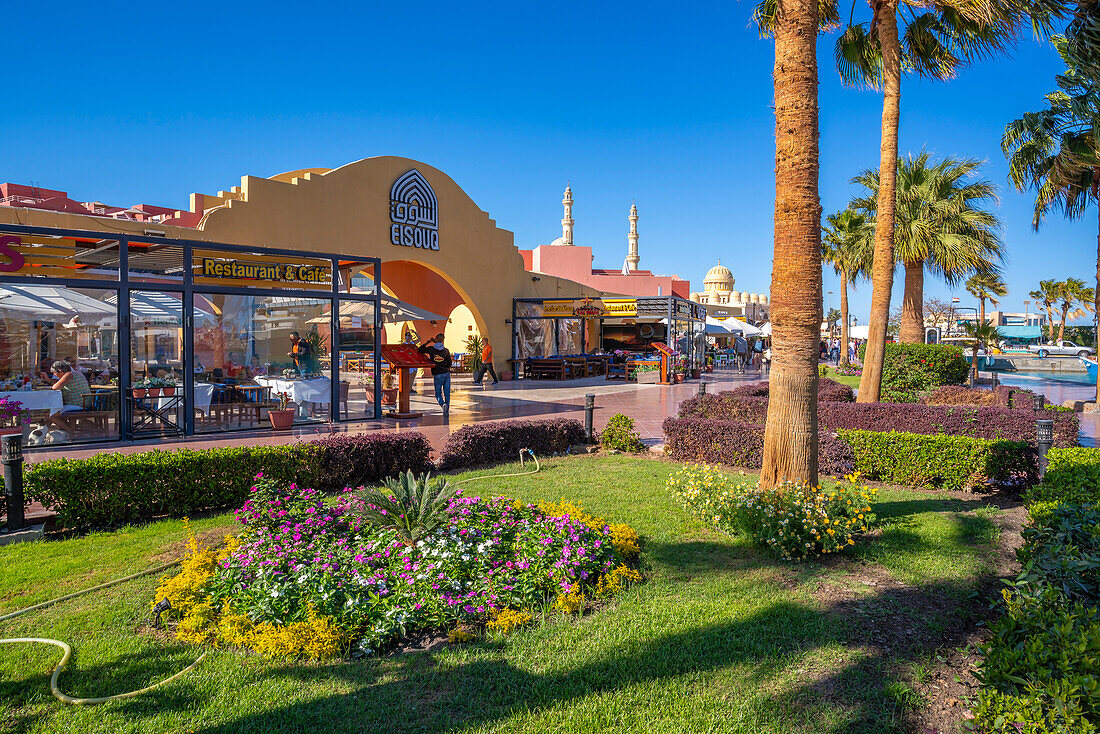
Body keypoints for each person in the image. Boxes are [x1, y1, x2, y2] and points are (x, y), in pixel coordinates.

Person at [418, 333, 452, 417]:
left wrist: (428, 342)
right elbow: (449, 363)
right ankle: (447, 407)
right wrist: (444, 365)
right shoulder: (446, 350)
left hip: (437, 373)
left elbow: (420, 350)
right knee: (447, 392)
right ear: (443, 340)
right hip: (446, 373)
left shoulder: (431, 349)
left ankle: (442, 404)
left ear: (435, 340)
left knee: (438, 392)